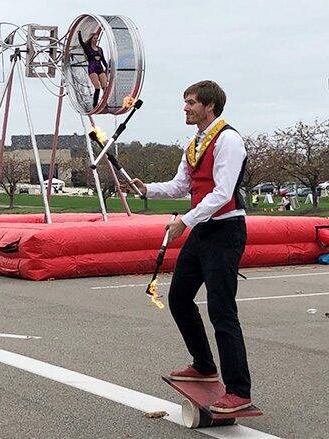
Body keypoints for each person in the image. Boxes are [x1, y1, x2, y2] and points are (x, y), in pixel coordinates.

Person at [122, 80, 252, 413]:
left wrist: (185, 221)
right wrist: (148, 188)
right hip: (203, 230)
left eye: (191, 102)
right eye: (185, 101)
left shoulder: (228, 140)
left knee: (222, 311)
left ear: (210, 106)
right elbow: (183, 184)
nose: (185, 107)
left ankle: (239, 390)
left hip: (225, 231)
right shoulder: (194, 143)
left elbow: (222, 193)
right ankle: (204, 365)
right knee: (179, 298)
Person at [78, 29, 109, 109]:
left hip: (100, 68)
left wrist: (107, 68)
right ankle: (95, 105)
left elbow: (103, 60)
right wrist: (79, 34)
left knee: (104, 87)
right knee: (97, 87)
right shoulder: (87, 48)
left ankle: (105, 104)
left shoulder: (100, 49)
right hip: (92, 69)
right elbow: (81, 43)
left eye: (97, 38)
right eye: (94, 38)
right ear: (91, 39)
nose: (96, 40)